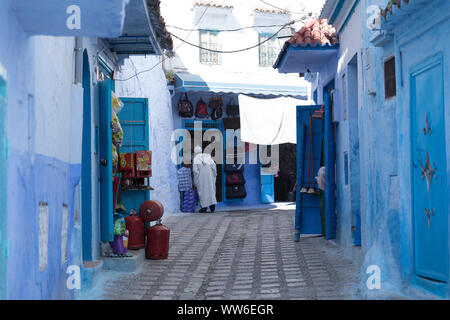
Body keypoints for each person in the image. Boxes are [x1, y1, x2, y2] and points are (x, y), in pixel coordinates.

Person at [192, 145, 217, 213]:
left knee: (203, 192)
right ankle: (212, 207)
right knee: (211, 191)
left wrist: (196, 180)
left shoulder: (196, 159)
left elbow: (195, 171)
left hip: (201, 178)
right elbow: (214, 166)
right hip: (210, 177)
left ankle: (204, 207)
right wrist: (214, 175)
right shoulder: (207, 156)